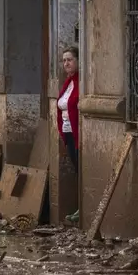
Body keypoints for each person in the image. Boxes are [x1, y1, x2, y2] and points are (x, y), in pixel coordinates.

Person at [57, 46, 80, 223]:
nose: (66, 63)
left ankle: (82, 208)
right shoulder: (68, 82)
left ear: (78, 61)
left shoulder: (80, 82)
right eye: (64, 60)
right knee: (75, 168)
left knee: (80, 168)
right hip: (68, 132)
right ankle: (79, 207)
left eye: (70, 59)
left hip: (76, 132)